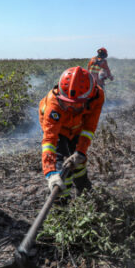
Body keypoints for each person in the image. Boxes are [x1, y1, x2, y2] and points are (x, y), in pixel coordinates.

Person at [39, 66, 105, 198]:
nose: (69, 106)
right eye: (66, 103)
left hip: (77, 128)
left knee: (78, 162)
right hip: (59, 129)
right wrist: (50, 173)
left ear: (88, 99)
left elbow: (89, 127)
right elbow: (49, 140)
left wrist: (80, 151)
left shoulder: (97, 97)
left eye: (75, 104)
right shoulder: (54, 103)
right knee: (59, 164)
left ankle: (83, 188)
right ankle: (61, 203)